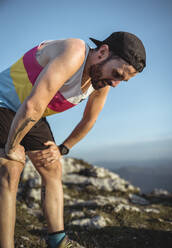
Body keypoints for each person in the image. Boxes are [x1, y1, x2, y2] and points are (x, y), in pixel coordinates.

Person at [0, 31, 146, 248]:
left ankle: (58, 241)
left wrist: (62, 149)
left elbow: (89, 120)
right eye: (116, 74)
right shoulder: (74, 52)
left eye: (121, 80)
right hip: (4, 102)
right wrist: (12, 147)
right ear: (103, 52)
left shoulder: (100, 82)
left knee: (52, 167)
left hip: (33, 112)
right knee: (9, 170)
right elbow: (33, 105)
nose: (115, 84)